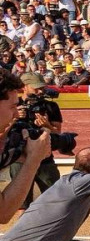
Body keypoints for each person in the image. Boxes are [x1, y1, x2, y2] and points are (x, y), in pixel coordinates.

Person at [8, 73, 64, 209]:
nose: (40, 91)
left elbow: (58, 133)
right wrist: (14, 118)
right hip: (19, 157)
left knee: (56, 199)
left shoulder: (50, 106)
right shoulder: (13, 105)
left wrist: (47, 125)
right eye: (36, 88)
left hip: (43, 158)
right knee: (21, 204)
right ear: (25, 87)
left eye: (42, 88)